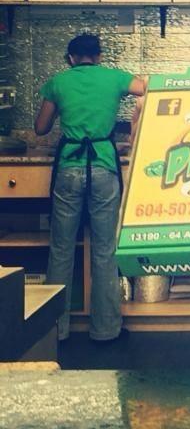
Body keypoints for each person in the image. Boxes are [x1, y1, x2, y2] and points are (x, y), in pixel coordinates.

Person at [34, 34, 146, 343]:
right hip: (103, 167)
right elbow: (147, 87)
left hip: (69, 167)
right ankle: (106, 330)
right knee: (104, 250)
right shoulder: (114, 78)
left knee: (61, 249)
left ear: (71, 58)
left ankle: (55, 332)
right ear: (99, 56)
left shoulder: (58, 82)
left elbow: (40, 128)